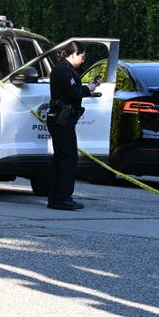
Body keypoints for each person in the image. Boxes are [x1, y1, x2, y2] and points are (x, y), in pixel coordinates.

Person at [46, 41, 100, 210]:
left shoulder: (64, 70)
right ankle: (62, 198)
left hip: (62, 119)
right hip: (62, 120)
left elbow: (72, 90)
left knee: (61, 159)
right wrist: (89, 88)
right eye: (82, 56)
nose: (83, 60)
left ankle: (56, 198)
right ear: (73, 54)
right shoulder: (63, 70)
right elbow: (74, 93)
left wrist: (87, 88)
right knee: (68, 159)